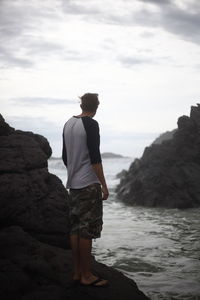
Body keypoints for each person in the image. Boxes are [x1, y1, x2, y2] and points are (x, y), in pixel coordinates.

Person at [62, 93, 109, 287]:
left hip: (73, 184)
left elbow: (65, 156)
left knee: (75, 228)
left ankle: (77, 272)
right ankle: (87, 275)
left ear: (82, 105)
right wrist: (104, 185)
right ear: (96, 106)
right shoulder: (91, 124)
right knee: (87, 231)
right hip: (89, 184)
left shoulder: (68, 124)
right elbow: (95, 157)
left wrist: (74, 171)